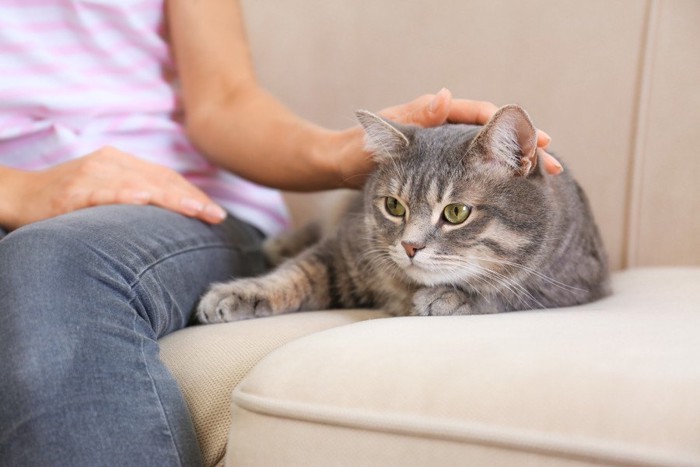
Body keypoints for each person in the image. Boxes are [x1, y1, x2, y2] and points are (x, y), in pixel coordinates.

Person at [0, 1, 560, 465]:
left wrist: (338, 153)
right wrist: (17, 191)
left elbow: (224, 100)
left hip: (158, 197)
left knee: (51, 265)